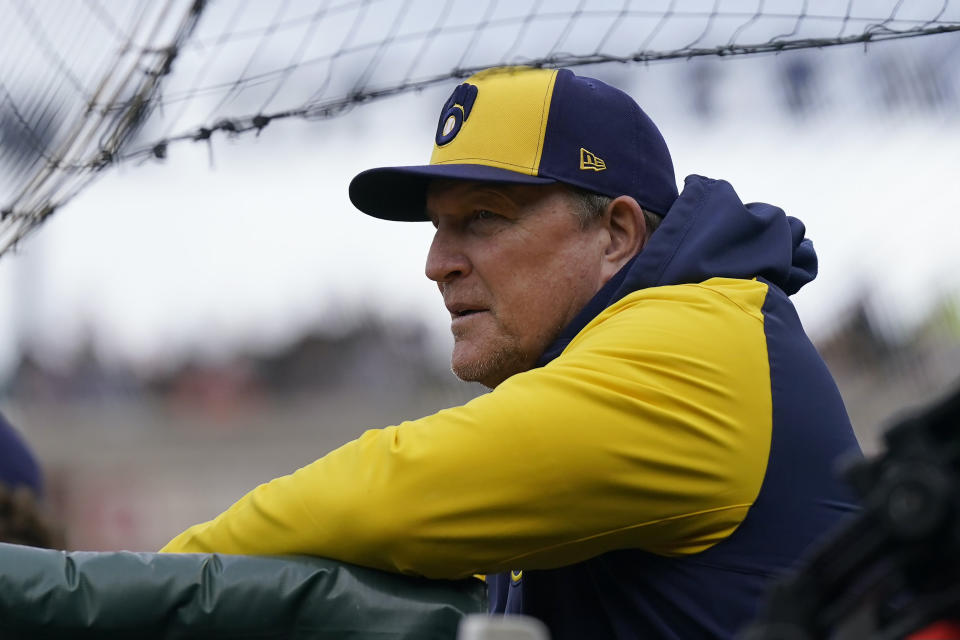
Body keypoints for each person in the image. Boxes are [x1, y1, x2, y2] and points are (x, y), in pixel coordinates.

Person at [162, 66, 861, 638]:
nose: (438, 263)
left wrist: (140, 586)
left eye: (484, 218)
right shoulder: (676, 334)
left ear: (616, 234)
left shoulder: (697, 340)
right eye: (438, 227)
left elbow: (392, 492)